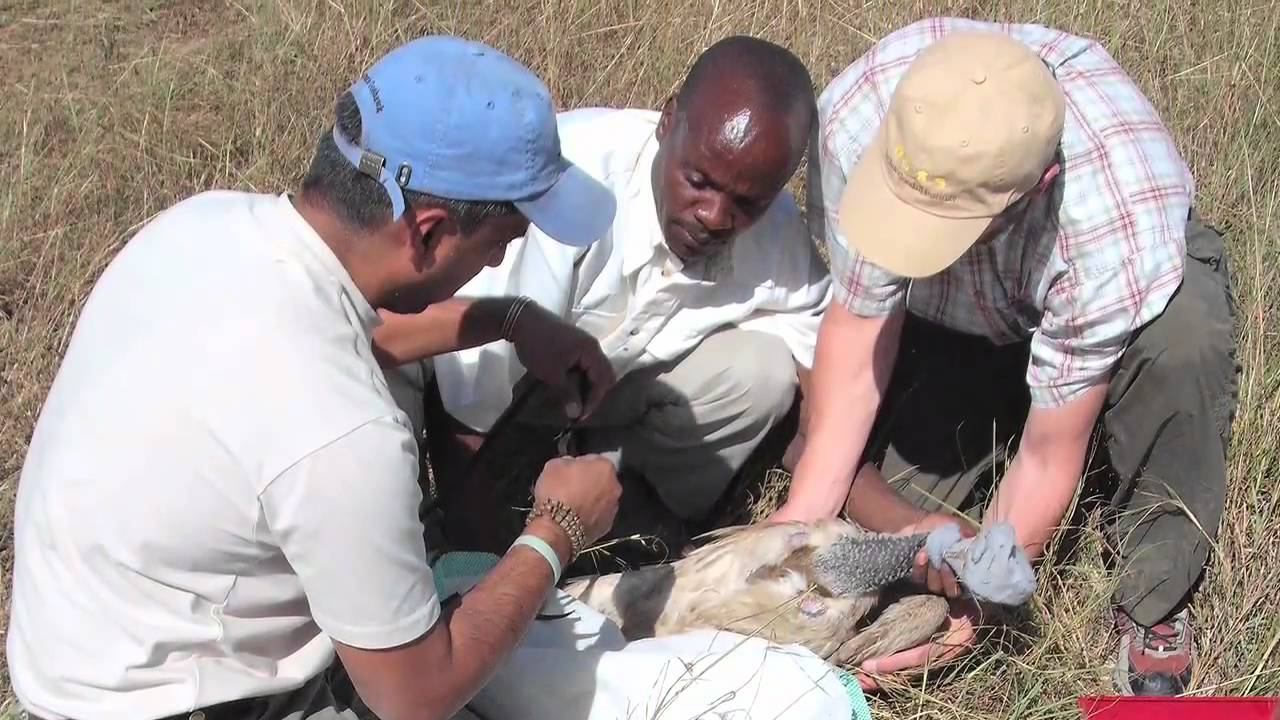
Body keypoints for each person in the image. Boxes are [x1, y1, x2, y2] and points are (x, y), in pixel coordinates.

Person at [6, 36, 627, 720]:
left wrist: (511, 319)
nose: (492, 265)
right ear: (427, 231)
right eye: (497, 246)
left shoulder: (199, 225)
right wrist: (556, 530)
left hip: (81, 661)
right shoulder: (345, 431)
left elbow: (356, 335)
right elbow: (416, 697)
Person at [776, 19, 1238, 697]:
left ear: (1039, 182)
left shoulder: (1106, 221)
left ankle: (1155, 595)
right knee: (900, 527)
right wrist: (794, 536)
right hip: (958, 308)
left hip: (1120, 290)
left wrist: (979, 602)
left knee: (1183, 346)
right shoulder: (861, 114)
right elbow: (851, 352)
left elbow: (1051, 451)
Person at [420, 35, 833, 551]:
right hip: (507, 392)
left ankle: (638, 521)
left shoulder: (778, 233)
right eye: (698, 181)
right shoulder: (570, 182)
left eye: (748, 202)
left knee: (764, 372)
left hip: (620, 392)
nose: (715, 217)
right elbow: (464, 392)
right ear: (667, 121)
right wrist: (484, 553)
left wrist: (821, 487)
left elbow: (826, 371)